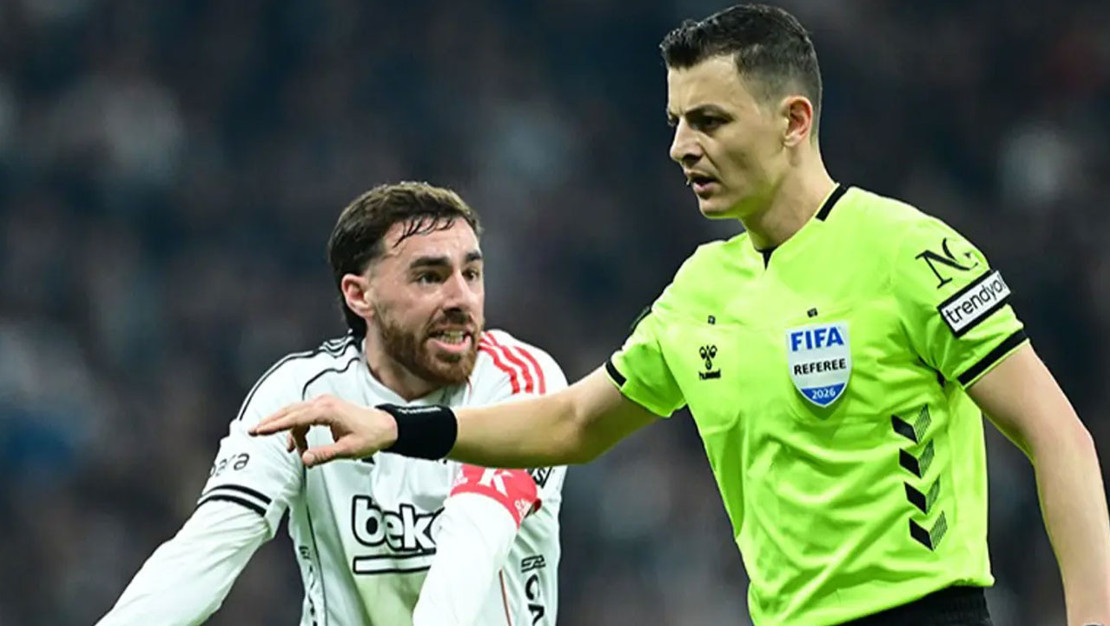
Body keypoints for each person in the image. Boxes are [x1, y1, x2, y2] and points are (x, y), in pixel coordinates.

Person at [250, 5, 1110, 626]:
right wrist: (399, 429)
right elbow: (574, 423)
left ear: (794, 121)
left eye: (708, 120)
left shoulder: (908, 252)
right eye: (674, 122)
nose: (680, 147)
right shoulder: (701, 287)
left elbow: (1059, 437)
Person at [97, 182, 567, 626]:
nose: (461, 298)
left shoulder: (521, 384)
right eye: (430, 277)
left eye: (472, 274)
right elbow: (205, 553)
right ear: (359, 295)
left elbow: (474, 543)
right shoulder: (301, 396)